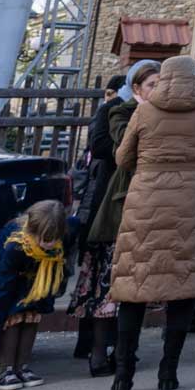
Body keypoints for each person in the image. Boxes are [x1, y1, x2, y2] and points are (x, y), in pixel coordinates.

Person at [111, 54, 195, 390]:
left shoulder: (145, 109)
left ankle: (123, 373)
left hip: (145, 202)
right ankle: (168, 373)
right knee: (183, 287)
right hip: (191, 202)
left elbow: (123, 158)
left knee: (133, 289)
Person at [69, 61, 158, 377]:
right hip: (115, 207)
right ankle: (97, 354)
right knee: (107, 285)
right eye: (151, 85)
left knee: (131, 287)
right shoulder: (118, 111)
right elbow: (120, 149)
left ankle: (121, 352)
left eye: (162, 84)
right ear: (136, 88)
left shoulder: (162, 113)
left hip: (145, 209)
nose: (158, 90)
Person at [0, 198, 66, 390]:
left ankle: (23, 367)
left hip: (33, 281)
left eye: (53, 238)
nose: (49, 244)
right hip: (6, 281)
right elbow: (0, 289)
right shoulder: (15, 246)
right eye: (44, 239)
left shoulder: (55, 246)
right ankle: (6, 370)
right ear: (32, 231)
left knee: (31, 315)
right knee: (13, 316)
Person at [70, 72, 127, 367]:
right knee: (98, 279)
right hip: (102, 202)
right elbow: (99, 148)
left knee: (107, 280)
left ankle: (103, 345)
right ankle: (90, 345)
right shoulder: (110, 111)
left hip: (112, 204)